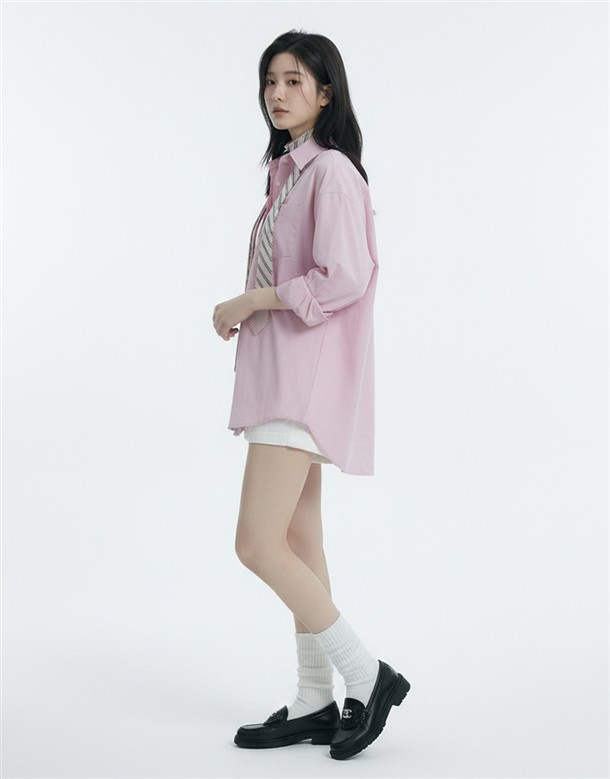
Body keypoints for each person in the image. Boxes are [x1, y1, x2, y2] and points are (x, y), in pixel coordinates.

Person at [212, 29, 410, 761]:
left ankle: (368, 673)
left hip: (302, 382)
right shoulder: (289, 174)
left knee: (256, 543)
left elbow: (345, 276)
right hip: (283, 375)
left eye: (294, 80)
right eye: (271, 80)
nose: (277, 93)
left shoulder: (331, 173)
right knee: (298, 541)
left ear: (326, 93)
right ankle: (315, 698)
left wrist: (252, 299)